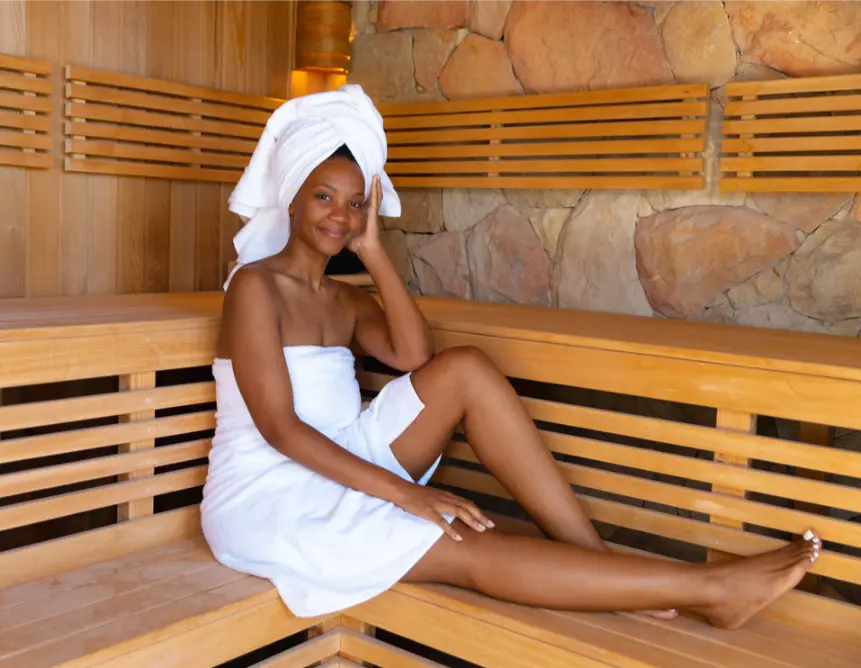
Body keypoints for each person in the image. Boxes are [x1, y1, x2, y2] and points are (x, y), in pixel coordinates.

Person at [201, 85, 820, 631]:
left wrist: (375, 254)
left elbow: (416, 357)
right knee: (457, 536)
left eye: (356, 203)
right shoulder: (254, 288)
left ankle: (600, 567)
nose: (341, 216)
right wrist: (408, 496)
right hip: (272, 495)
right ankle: (713, 590)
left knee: (464, 367)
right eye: (325, 198)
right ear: (291, 196)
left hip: (346, 456)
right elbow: (281, 430)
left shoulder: (341, 295)